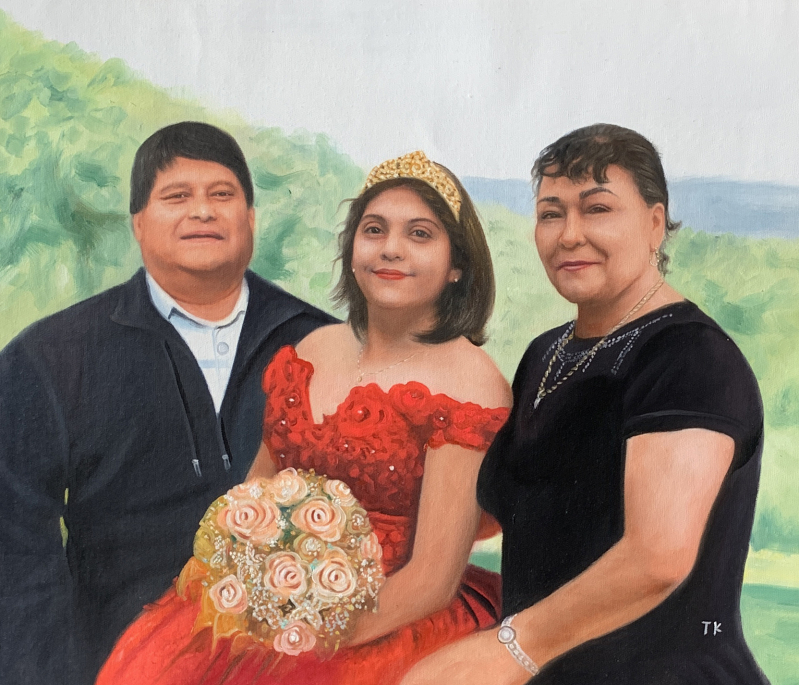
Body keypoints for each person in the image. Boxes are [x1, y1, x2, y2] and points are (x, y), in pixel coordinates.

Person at [96, 150, 512, 685]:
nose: (391, 249)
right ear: (351, 249)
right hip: (276, 597)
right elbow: (257, 490)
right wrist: (241, 578)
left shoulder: (469, 381)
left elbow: (432, 579)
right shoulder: (314, 347)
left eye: (420, 235)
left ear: (458, 264)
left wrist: (305, 636)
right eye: (374, 229)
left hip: (392, 614)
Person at [401, 125, 770, 685]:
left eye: (596, 209)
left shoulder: (690, 357)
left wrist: (508, 651)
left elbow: (657, 558)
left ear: (653, 224)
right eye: (551, 213)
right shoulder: (546, 353)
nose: (569, 235)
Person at [0, 122, 336, 685]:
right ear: (137, 223)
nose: (202, 212)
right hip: (113, 662)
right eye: (176, 197)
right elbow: (14, 551)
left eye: (222, 195)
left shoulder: (321, 344)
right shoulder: (51, 356)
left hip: (292, 666)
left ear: (251, 218)